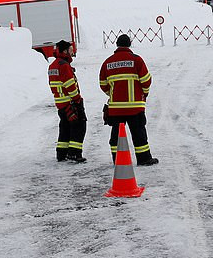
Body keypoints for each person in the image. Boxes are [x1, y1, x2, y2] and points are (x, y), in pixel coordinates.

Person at [99, 33, 158, 165]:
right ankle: (144, 159)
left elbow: (103, 84)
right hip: (135, 107)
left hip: (116, 108)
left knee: (116, 135)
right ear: (129, 44)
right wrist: (144, 94)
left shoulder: (107, 62)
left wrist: (113, 94)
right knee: (139, 134)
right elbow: (146, 81)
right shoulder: (137, 60)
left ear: (117, 45)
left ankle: (118, 160)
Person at [47, 39, 87, 163]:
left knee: (65, 128)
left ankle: (61, 153)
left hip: (61, 104)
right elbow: (70, 85)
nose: (72, 52)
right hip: (70, 103)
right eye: (70, 50)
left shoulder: (53, 66)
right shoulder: (64, 65)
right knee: (79, 126)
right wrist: (77, 100)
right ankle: (74, 153)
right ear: (64, 51)